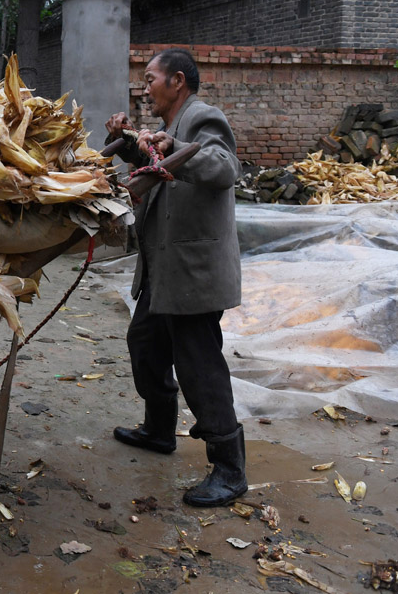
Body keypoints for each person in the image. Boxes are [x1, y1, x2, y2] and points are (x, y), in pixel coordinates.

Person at [104, 48, 246, 507]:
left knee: (199, 366)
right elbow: (154, 160)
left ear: (178, 81)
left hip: (193, 273)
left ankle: (229, 468)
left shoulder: (202, 117)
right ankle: (160, 430)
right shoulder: (170, 127)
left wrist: (177, 154)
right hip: (163, 270)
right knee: (144, 344)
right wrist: (127, 142)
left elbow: (224, 167)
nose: (145, 87)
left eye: (151, 78)